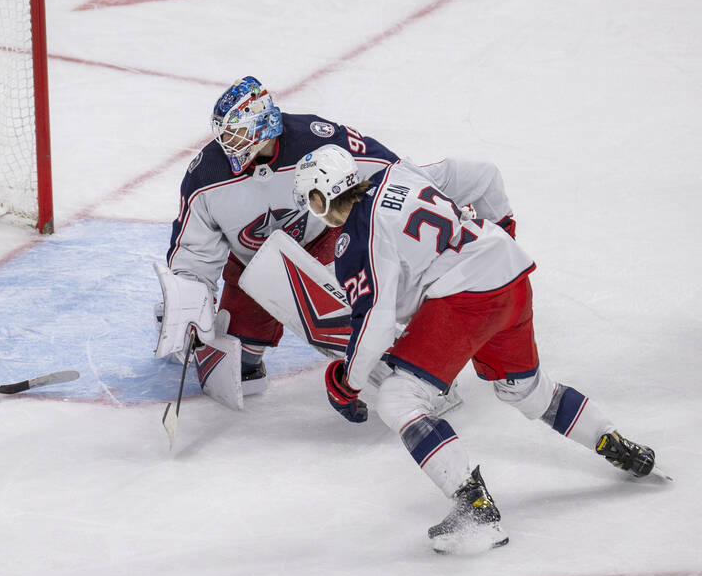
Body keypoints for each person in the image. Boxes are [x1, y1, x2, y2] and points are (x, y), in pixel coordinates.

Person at [293, 144, 657, 553]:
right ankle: (614, 442)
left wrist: (348, 381)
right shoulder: (399, 172)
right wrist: (501, 227)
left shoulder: (357, 241)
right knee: (527, 390)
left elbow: (374, 320)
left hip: (466, 297)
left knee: (398, 398)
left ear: (319, 198)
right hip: (508, 272)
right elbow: (483, 174)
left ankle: (474, 508)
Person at [163, 75, 513, 402]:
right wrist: (190, 301)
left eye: (237, 135)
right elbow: (193, 251)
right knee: (243, 364)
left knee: (357, 316)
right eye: (225, 135)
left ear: (264, 125)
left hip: (325, 243)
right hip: (251, 262)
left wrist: (433, 202)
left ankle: (407, 368)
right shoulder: (205, 176)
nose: (228, 144)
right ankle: (256, 344)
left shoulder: (317, 138)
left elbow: (387, 173)